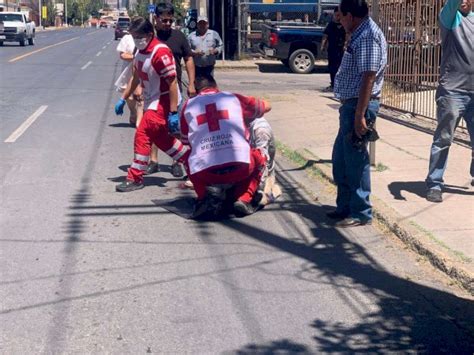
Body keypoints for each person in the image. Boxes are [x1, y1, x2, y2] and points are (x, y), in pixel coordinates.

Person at [329, 0, 387, 227]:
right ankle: (345, 206)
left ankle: (361, 211)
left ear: (351, 15)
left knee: (355, 161)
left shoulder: (368, 36)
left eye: (341, 16)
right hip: (351, 106)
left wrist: (359, 116)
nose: (339, 20)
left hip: (359, 106)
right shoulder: (359, 33)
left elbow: (368, 78)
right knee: (341, 159)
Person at [179, 74, 271, 217]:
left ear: (196, 91)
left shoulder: (187, 107)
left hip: (206, 173)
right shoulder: (233, 98)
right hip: (240, 168)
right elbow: (266, 107)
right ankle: (244, 198)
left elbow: (186, 142)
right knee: (259, 156)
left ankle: (204, 197)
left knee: (187, 157)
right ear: (216, 87)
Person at [114, 17, 187, 192]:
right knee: (164, 140)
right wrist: (123, 99)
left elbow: (172, 83)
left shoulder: (160, 53)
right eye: (133, 36)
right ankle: (192, 161)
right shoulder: (140, 52)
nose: (136, 39)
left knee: (142, 134)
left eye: (139, 36)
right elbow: (135, 78)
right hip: (151, 101)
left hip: (162, 102)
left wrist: (173, 111)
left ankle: (135, 177)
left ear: (149, 34)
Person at [425, 0, 473, 203]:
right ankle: (435, 183)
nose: (463, 1)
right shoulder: (450, 18)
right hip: (453, 91)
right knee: (444, 139)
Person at [144, 2, 197, 177]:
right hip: (154, 92)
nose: (167, 24)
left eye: (170, 20)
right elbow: (139, 62)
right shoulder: (150, 38)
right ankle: (153, 161)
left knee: (176, 127)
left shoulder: (179, 37)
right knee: (154, 127)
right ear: (156, 19)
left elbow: (188, 59)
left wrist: (191, 83)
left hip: (174, 90)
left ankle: (176, 162)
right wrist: (136, 87)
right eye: (164, 20)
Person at [115, 32, 144, 127]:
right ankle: (133, 112)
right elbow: (122, 55)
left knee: (141, 94)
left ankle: (140, 119)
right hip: (128, 70)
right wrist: (135, 57)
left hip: (142, 68)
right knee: (129, 95)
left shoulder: (146, 37)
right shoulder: (127, 38)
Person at [321, 6, 346, 92]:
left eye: (340, 15)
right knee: (332, 67)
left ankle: (341, 85)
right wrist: (323, 46)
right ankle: (333, 84)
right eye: (336, 15)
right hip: (332, 49)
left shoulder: (345, 25)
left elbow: (348, 36)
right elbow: (325, 36)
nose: (338, 17)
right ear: (334, 15)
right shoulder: (331, 25)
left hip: (342, 50)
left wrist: (346, 45)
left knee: (341, 68)